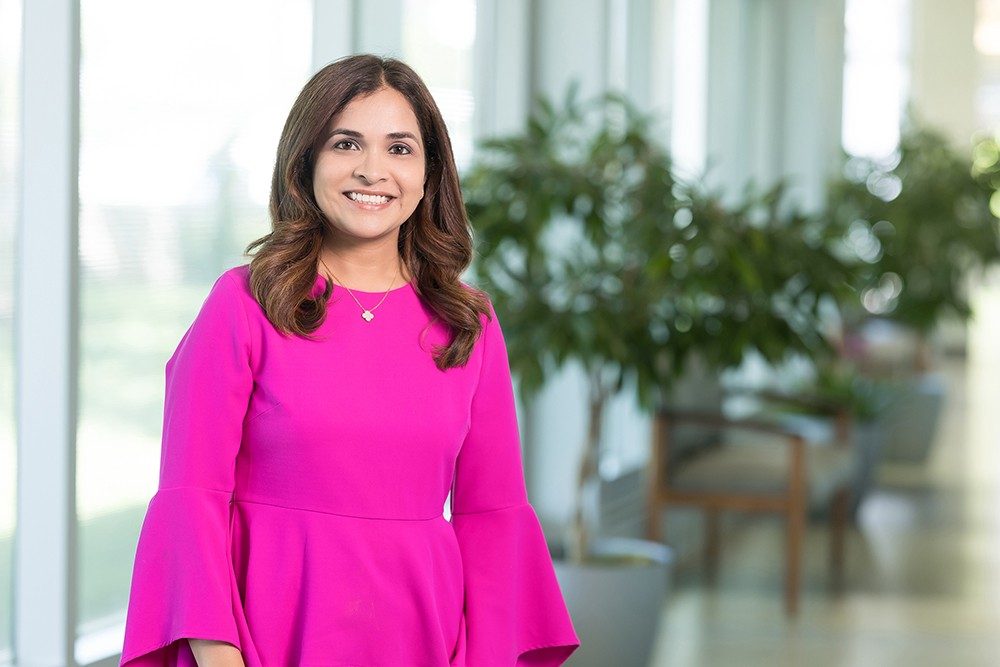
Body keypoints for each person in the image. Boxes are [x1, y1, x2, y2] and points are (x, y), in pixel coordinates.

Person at [119, 53, 580, 666]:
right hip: (265, 634)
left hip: (424, 637)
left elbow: (492, 519)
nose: (373, 170)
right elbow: (192, 497)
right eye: (346, 143)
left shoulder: (470, 323)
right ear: (305, 161)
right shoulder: (244, 304)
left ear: (428, 172)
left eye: (399, 148)